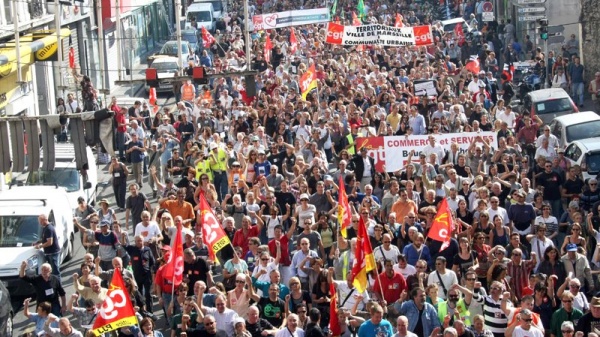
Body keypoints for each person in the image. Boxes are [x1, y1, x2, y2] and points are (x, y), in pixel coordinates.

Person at [35, 213, 62, 277]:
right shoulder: (45, 228)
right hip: (49, 253)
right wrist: (38, 242)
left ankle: (58, 285)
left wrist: (39, 246)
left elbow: (50, 242)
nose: (39, 223)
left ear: (45, 220)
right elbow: (45, 239)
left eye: (40, 221)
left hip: (53, 253)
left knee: (55, 271)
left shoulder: (49, 229)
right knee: (51, 271)